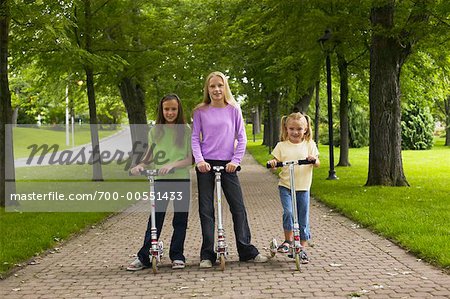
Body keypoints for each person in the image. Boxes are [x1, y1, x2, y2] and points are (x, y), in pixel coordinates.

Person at [191, 71, 268, 268]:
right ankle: (208, 254)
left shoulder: (234, 109)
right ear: (207, 89)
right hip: (206, 165)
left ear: (225, 87)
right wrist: (199, 161)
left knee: (238, 207)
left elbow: (241, 138)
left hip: (229, 165)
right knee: (206, 210)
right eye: (212, 86)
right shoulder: (200, 111)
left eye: (220, 85)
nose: (216, 89)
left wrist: (235, 160)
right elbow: (195, 138)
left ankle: (246, 250)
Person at [127, 94, 192, 270]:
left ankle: (177, 255)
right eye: (166, 109)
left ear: (179, 111)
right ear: (161, 111)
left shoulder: (186, 130)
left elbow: (188, 159)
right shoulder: (155, 131)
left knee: (180, 220)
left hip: (181, 180)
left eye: (173, 109)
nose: (170, 112)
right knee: (155, 219)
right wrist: (140, 165)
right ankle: (145, 256)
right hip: (161, 181)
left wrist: (172, 165)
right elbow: (149, 157)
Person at [267, 112, 320, 264]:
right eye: (291, 129)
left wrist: (313, 160)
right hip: (286, 186)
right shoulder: (281, 146)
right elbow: (275, 163)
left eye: (299, 129)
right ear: (286, 128)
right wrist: (273, 164)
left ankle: (302, 248)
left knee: (303, 217)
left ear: (306, 129)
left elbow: (317, 163)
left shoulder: (309, 144)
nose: (295, 132)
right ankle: (288, 241)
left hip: (303, 187)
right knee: (289, 212)